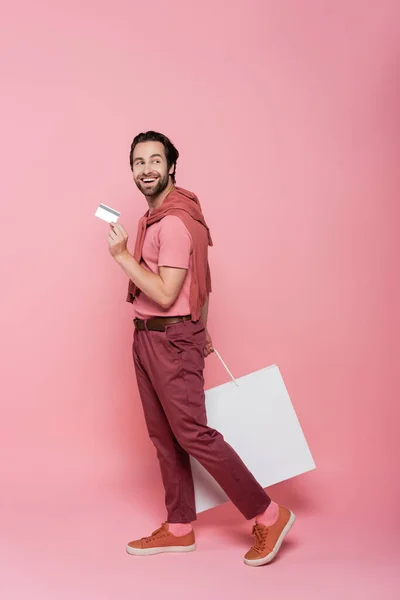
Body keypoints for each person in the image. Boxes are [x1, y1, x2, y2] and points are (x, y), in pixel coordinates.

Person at [107, 130, 295, 566]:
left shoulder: (172, 221)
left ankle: (269, 514)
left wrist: (120, 256)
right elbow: (201, 283)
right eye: (138, 162)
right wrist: (202, 326)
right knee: (164, 437)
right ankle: (178, 526)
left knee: (192, 433)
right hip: (152, 336)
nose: (147, 169)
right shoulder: (159, 217)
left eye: (155, 160)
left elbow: (167, 291)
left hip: (169, 338)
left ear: (172, 166)